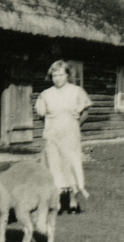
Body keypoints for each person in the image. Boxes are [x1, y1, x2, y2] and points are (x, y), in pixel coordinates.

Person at [35, 60, 93, 213]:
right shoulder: (46, 94)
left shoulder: (76, 91)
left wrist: (76, 124)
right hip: (52, 135)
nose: (58, 78)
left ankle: (73, 201)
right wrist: (52, 125)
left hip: (70, 134)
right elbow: (42, 115)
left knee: (71, 165)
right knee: (54, 165)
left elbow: (86, 111)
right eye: (54, 75)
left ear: (67, 75)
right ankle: (58, 202)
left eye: (61, 75)